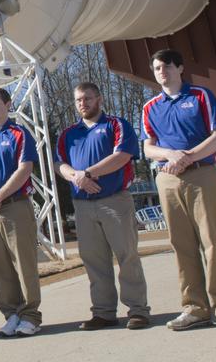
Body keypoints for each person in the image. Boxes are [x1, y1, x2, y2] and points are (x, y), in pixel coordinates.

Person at [141, 49, 216, 331]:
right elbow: (148, 147)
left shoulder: (200, 96)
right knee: (182, 246)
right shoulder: (150, 107)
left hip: (202, 174)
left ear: (180, 68)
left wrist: (188, 157)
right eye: (157, 68)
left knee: (212, 243)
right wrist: (171, 156)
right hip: (169, 179)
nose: (162, 72)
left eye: (167, 66)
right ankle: (194, 307)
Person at [54, 82, 149, 330]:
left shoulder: (116, 125)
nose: (83, 104)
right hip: (83, 205)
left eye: (87, 98)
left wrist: (87, 173)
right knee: (94, 261)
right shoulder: (69, 134)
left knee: (127, 256)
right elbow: (59, 164)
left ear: (99, 99)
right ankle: (104, 312)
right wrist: (76, 177)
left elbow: (122, 157)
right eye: (78, 100)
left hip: (114, 201)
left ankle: (138, 310)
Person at [0, 88, 43, 337]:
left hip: (15, 205)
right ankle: (11, 313)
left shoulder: (19, 133)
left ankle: (30, 315)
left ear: (8, 104)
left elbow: (24, 168)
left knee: (23, 263)